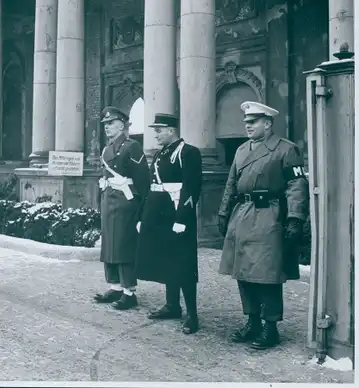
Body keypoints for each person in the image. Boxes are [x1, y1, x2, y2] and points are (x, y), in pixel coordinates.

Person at [218, 101, 309, 349]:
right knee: (244, 273)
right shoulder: (241, 151)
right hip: (243, 214)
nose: (247, 126)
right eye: (246, 122)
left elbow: (296, 187)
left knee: (266, 274)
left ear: (267, 124)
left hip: (269, 215)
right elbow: (231, 185)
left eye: (253, 122)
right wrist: (223, 213)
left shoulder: (286, 150)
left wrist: (294, 219)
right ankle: (253, 322)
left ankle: (271, 328)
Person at [135, 113, 202, 334]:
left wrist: (183, 219)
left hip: (177, 214)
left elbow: (192, 188)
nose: (155, 134)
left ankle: (192, 314)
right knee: (166, 260)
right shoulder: (161, 154)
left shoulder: (188, 152)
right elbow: (152, 186)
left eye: (159, 130)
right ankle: (172, 305)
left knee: (183, 263)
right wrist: (142, 216)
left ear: (171, 130)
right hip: (160, 215)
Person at [94, 106, 150, 310]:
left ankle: (129, 291)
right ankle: (115, 286)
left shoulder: (132, 146)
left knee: (124, 245)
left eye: (111, 123)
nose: (107, 127)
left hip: (126, 203)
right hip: (109, 201)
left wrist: (143, 208)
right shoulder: (106, 149)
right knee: (109, 244)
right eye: (105, 124)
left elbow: (143, 180)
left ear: (122, 124)